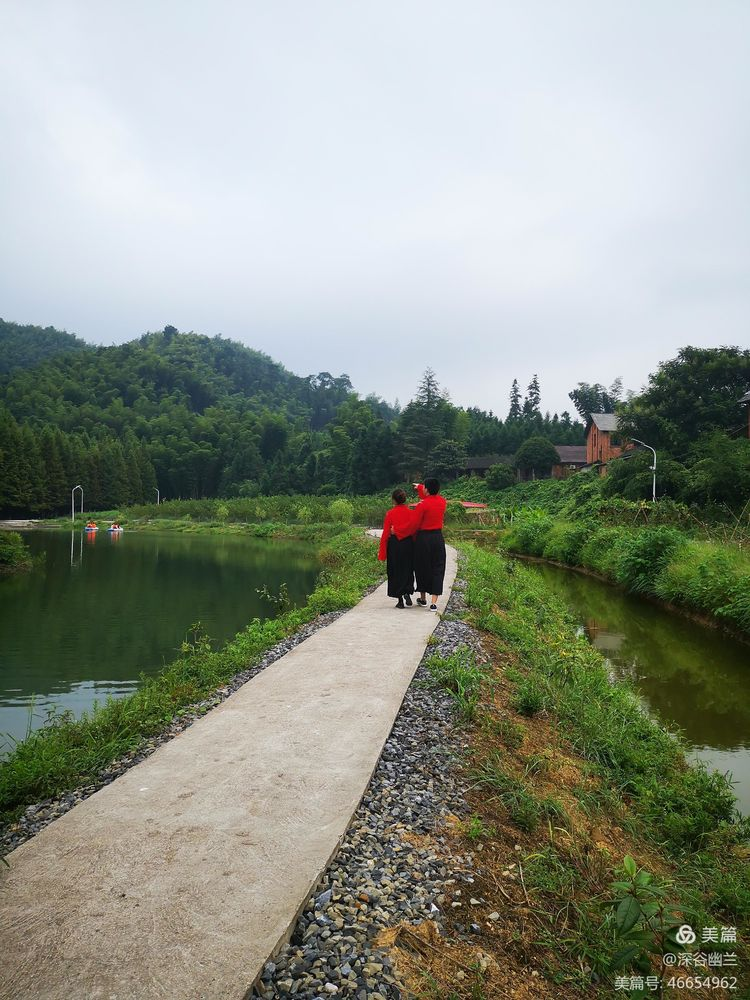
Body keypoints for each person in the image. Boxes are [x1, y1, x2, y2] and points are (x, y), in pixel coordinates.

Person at [378, 488, 417, 609]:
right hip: (408, 544)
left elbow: (386, 533)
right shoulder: (411, 513)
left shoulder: (390, 513)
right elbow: (414, 529)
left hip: (394, 545)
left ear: (394, 500)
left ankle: (400, 600)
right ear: (404, 499)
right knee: (408, 568)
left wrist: (382, 553)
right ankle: (407, 591)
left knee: (395, 570)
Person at [412, 478, 447, 611]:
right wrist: (420, 487)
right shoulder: (442, 501)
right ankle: (434, 602)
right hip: (438, 537)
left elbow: (415, 524)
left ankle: (423, 598)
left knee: (422, 567)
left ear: (426, 489)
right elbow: (431, 497)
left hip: (423, 539)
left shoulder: (422, 505)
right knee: (438, 567)